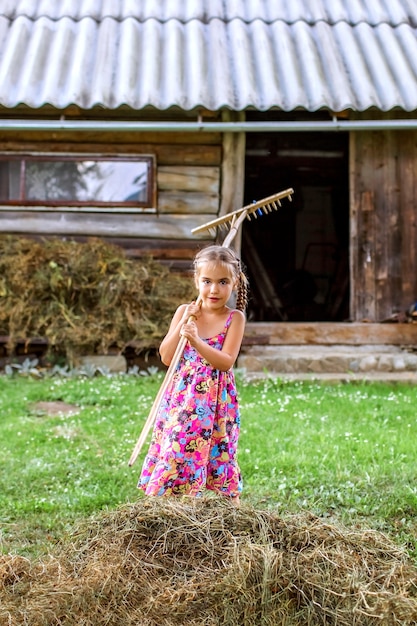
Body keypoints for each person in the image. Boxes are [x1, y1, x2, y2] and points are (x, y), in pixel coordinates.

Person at [138, 244, 248, 503]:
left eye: (222, 282)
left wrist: (198, 341)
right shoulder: (184, 312)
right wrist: (183, 325)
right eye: (207, 281)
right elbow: (166, 356)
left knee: (219, 452)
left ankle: (232, 513)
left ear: (233, 283)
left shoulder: (235, 318)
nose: (214, 290)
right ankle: (166, 507)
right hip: (181, 399)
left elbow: (226, 362)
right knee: (177, 445)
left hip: (216, 403)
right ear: (196, 281)